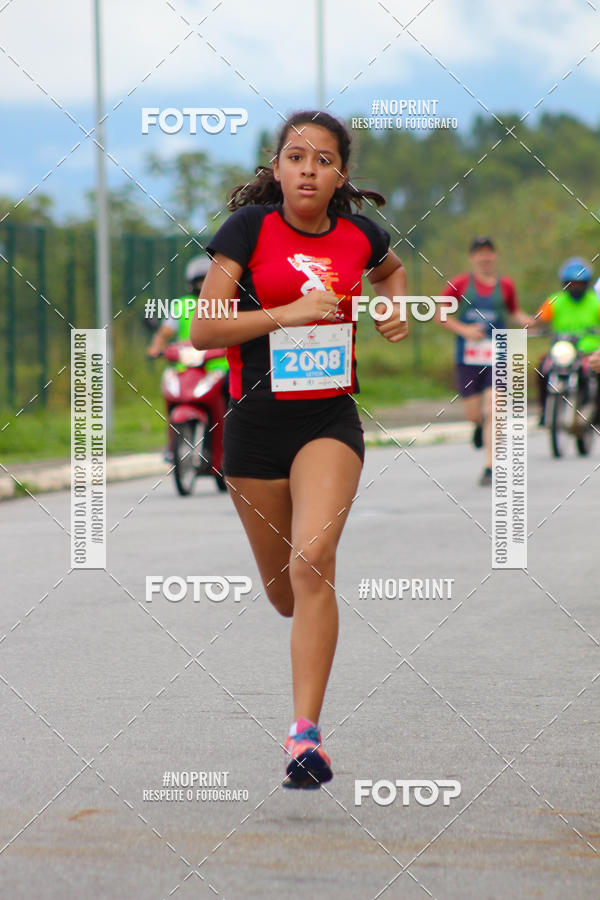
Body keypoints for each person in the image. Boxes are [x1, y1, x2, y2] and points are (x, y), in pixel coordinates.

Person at [190, 110, 408, 789]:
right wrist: (287, 314)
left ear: (341, 173)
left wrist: (391, 305)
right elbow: (204, 329)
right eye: (295, 156)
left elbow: (391, 270)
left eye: (322, 159)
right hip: (254, 430)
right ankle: (301, 680)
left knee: (313, 560)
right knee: (286, 593)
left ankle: (304, 739)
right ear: (277, 168)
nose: (308, 169)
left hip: (329, 422)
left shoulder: (360, 235)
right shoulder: (247, 231)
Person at [435, 237, 534, 486]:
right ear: (472, 258)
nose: (485, 258)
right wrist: (464, 330)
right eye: (480, 253)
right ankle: (478, 426)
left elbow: (513, 312)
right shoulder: (460, 284)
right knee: (474, 413)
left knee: (495, 409)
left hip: (498, 353)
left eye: (489, 253)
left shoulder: (506, 286)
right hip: (468, 358)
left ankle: (490, 466)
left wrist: (527, 320)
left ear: (495, 256)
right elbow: (439, 314)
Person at [147, 256, 228, 461]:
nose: (202, 286)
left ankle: (230, 442)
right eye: (199, 281)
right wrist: (156, 348)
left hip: (218, 367)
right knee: (171, 393)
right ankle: (171, 442)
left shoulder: (226, 304)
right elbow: (164, 333)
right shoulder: (181, 306)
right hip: (187, 368)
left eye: (206, 280)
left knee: (234, 399)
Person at [536, 257, 600, 432]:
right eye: (572, 284)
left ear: (586, 284)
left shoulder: (595, 301)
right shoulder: (554, 300)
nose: (576, 287)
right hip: (562, 351)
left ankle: (595, 411)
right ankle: (544, 410)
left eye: (579, 283)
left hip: (589, 352)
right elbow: (539, 320)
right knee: (543, 367)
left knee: (596, 372)